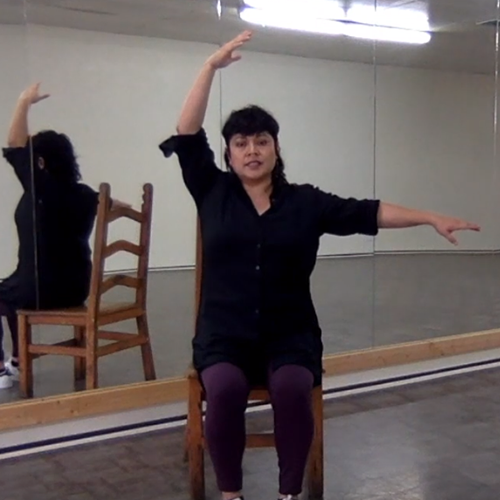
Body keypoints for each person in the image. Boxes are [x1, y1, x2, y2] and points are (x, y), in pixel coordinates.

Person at [159, 31, 480, 500]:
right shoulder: (212, 192)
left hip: (289, 335)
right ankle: (231, 493)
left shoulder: (305, 203)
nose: (252, 150)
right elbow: (187, 134)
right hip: (223, 335)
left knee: (292, 389)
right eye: (242, 142)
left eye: (261, 141)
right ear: (229, 153)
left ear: (275, 149)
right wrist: (209, 68)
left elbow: (367, 212)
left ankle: (290, 493)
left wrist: (429, 217)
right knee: (224, 391)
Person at [0, 83, 125, 390]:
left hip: (40, 289)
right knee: (13, 289)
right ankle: (17, 361)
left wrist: (23, 101)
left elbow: (14, 145)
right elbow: (119, 206)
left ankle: (2, 370)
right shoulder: (84, 194)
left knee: (11, 292)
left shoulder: (39, 188)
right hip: (75, 288)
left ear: (40, 162)